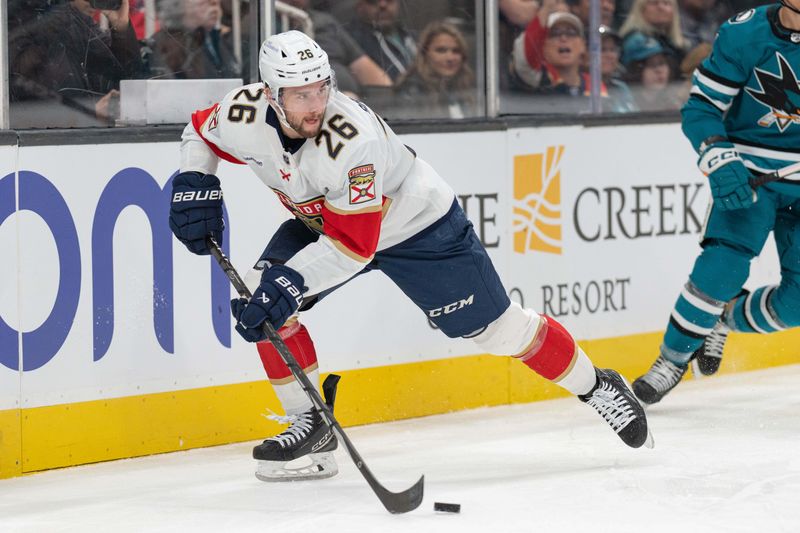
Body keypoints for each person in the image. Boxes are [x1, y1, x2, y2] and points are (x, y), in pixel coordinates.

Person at [169, 30, 652, 482]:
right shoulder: (242, 112)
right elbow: (200, 134)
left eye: (322, 89)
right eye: (301, 95)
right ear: (271, 95)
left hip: (417, 227)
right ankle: (311, 428)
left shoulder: (350, 139)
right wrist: (197, 181)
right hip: (327, 221)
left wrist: (291, 282)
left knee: (499, 331)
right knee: (266, 305)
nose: (316, 104)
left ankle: (597, 386)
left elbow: (354, 248)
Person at [633, 3, 800, 405]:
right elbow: (702, 108)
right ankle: (672, 359)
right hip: (751, 175)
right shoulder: (745, 33)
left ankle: (723, 317)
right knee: (721, 267)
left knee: (795, 306)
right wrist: (719, 157)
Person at [8, 0, 144, 124]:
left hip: (79, 139)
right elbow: (20, 103)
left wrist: (121, 29)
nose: (92, 3)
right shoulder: (17, 20)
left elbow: (128, 80)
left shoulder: (77, 23)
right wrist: (88, 114)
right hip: (45, 143)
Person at [280, 0, 392, 97]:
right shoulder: (267, 25)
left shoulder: (324, 22)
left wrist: (388, 97)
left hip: (355, 106)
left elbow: (370, 73)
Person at [394, 21, 478, 119]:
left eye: (456, 51)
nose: (450, 58)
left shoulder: (465, 88)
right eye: (441, 50)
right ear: (425, 54)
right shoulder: (411, 91)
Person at [148, 0, 241, 79]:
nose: (215, 9)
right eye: (205, 2)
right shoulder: (164, 43)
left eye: (216, 3)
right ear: (180, 7)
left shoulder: (214, 38)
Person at [344, 0, 417, 82]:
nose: (383, 5)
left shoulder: (413, 37)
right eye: (373, 1)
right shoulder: (350, 41)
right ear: (359, 5)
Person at [621, 32, 683, 111]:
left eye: (662, 63)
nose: (659, 70)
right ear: (634, 70)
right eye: (651, 65)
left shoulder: (674, 103)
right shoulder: (623, 102)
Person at [619, 0, 689, 67]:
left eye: (666, 3)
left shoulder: (673, 43)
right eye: (654, 3)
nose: (661, 7)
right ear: (641, 9)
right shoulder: (636, 40)